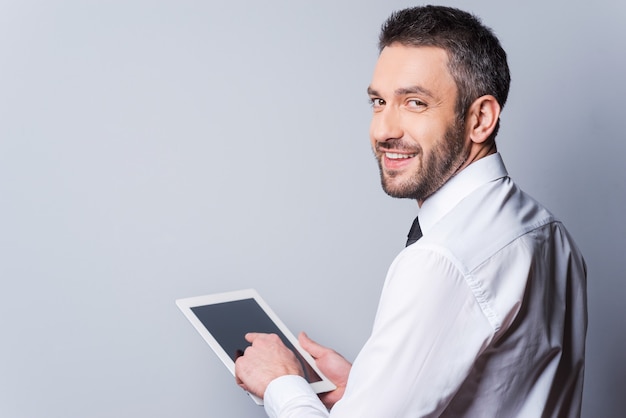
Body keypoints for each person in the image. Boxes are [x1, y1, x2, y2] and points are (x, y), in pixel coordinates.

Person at [235, 5, 588, 417]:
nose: (384, 130)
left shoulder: (440, 259)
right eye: (379, 101)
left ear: (480, 119)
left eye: (415, 103)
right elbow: (504, 392)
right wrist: (366, 387)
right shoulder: (551, 234)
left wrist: (281, 383)